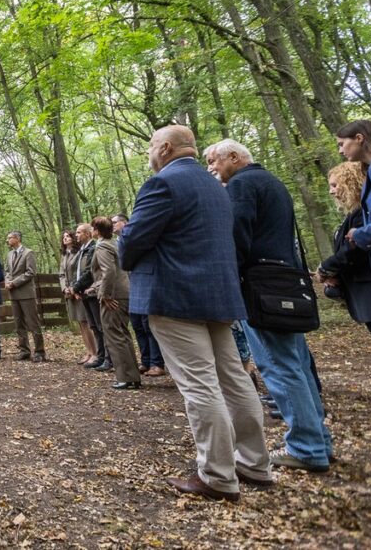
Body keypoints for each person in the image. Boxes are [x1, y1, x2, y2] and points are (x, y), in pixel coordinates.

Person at [121, 125, 271, 502]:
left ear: (166, 148)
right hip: (218, 295)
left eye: (152, 146)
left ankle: (218, 475)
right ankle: (254, 463)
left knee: (200, 384)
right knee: (233, 378)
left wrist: (127, 245)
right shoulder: (217, 187)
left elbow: (132, 242)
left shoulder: (162, 184)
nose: (150, 154)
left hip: (175, 296)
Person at [205, 138, 333, 473]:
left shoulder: (243, 185)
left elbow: (236, 237)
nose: (211, 168)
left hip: (262, 288)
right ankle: (318, 439)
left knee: (279, 365)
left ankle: (306, 447)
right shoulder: (271, 182)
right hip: (284, 283)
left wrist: (226, 283)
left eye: (213, 161)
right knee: (298, 363)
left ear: (234, 156)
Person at [318, 161, 371, 335]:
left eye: (335, 185)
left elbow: (354, 249)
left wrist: (327, 268)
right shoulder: (354, 215)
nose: (331, 191)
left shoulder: (361, 216)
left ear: (350, 182)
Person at [90, 217, 140, 390]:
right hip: (124, 293)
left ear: (96, 230)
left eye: (92, 228)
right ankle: (132, 376)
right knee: (123, 335)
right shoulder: (115, 243)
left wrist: (105, 294)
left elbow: (109, 271)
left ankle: (126, 377)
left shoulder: (102, 245)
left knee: (114, 336)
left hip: (114, 296)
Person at [113, 213, 165, 377]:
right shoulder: (116, 243)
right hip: (130, 289)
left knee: (148, 325)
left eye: (115, 222)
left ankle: (157, 363)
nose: (112, 224)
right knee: (137, 326)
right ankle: (146, 361)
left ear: (124, 223)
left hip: (144, 286)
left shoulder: (137, 238)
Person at [4, 231, 44, 361]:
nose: (7, 240)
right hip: (13, 294)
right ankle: (24, 350)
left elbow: (30, 272)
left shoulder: (28, 253)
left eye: (10, 238)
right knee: (18, 322)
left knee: (33, 323)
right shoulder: (9, 254)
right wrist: (7, 281)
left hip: (26, 293)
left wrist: (14, 283)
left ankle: (39, 351)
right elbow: (7, 271)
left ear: (17, 238)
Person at [71, 223, 107, 369]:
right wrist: (76, 287)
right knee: (93, 325)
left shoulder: (93, 248)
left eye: (79, 232)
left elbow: (90, 272)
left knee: (100, 325)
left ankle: (107, 357)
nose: (76, 235)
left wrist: (76, 287)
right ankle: (100, 356)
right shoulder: (82, 250)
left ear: (87, 233)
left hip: (93, 291)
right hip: (83, 293)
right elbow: (77, 272)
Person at [59, 230, 96, 364]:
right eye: (63, 237)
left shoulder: (80, 252)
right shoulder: (64, 255)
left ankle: (95, 352)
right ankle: (88, 352)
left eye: (68, 236)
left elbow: (80, 273)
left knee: (86, 321)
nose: (65, 239)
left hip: (78, 291)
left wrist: (74, 287)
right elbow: (61, 274)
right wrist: (64, 288)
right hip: (69, 293)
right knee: (80, 323)